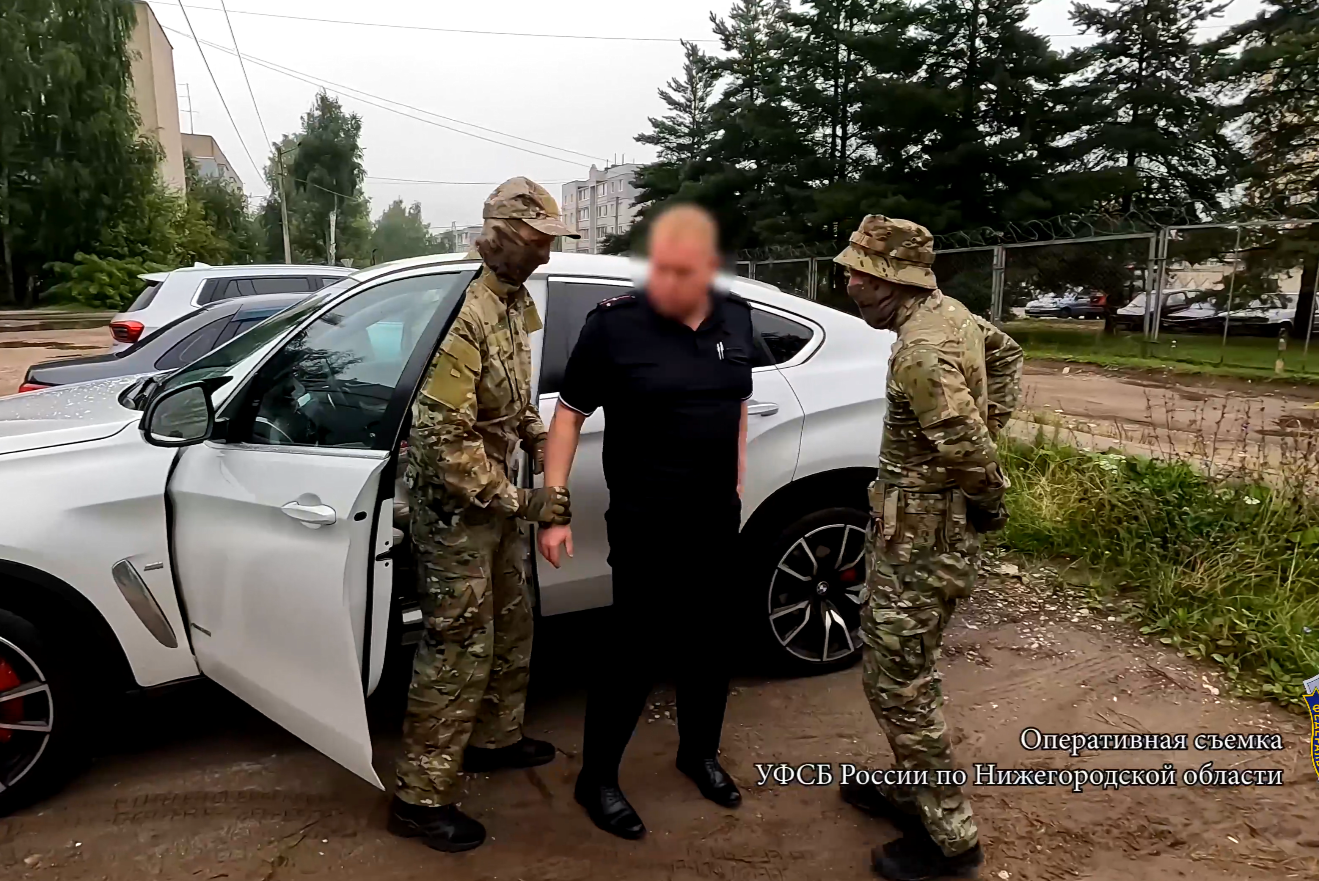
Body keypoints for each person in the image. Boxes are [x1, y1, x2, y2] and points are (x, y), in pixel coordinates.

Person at [537, 204, 752, 840]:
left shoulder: (736, 316)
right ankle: (597, 778)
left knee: (711, 643)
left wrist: (737, 480)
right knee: (633, 650)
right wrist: (554, 510)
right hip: (645, 517)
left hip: (715, 516)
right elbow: (568, 415)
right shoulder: (614, 326)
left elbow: (737, 402)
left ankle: (699, 754)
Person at [391, 177, 578, 852]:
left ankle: (494, 739)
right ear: (500, 236)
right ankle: (419, 796)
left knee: (512, 622)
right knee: (457, 646)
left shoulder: (513, 302)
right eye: (536, 241)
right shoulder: (464, 315)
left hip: (495, 503)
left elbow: (515, 401)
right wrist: (523, 500)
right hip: (455, 513)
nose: (546, 255)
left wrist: (539, 437)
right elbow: (443, 440)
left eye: (550, 242)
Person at [834, 215, 1022, 880]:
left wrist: (987, 498)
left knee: (897, 682)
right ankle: (912, 788)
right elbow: (1006, 355)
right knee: (907, 667)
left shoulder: (920, 349)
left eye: (859, 274)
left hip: (921, 539)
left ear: (892, 280)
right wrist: (992, 424)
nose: (849, 283)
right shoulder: (951, 316)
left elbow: (965, 446)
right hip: (921, 530)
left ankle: (950, 837)